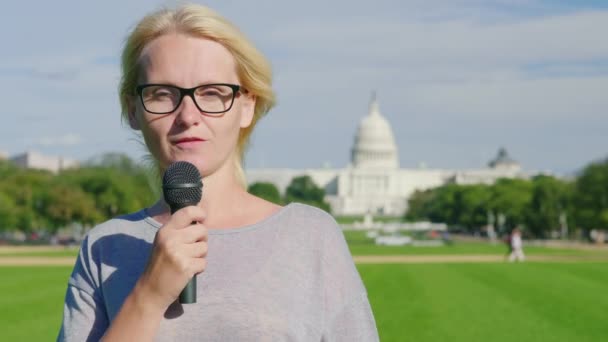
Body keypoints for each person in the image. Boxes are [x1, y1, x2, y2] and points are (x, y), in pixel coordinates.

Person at [57, 4, 378, 341]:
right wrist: (148, 296)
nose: (188, 115)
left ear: (246, 106)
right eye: (162, 94)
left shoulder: (311, 237)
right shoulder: (104, 247)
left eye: (211, 93)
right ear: (132, 109)